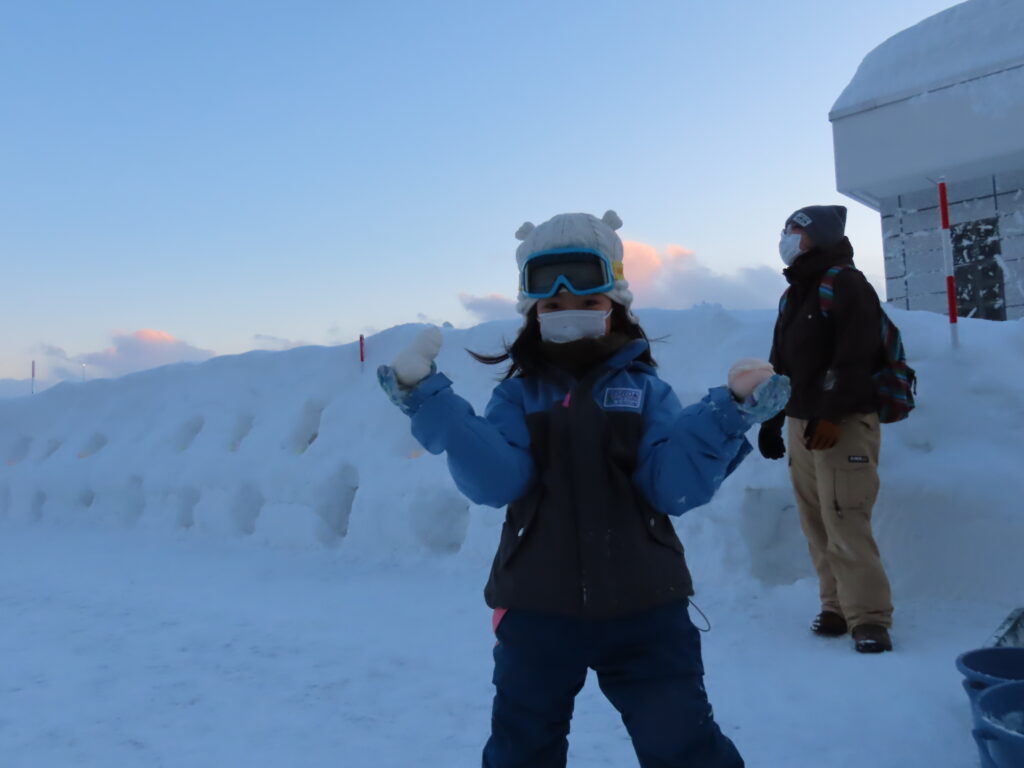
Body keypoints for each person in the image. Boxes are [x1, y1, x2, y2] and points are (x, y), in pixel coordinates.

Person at [378, 210, 790, 767]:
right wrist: (429, 398)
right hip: (536, 611)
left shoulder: (646, 391)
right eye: (552, 305)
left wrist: (728, 412)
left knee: (684, 748)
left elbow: (672, 489)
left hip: (646, 610)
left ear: (615, 306)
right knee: (522, 751)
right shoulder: (518, 397)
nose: (569, 313)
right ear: (533, 314)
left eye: (588, 302)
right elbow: (498, 482)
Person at [760, 204, 894, 654]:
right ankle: (836, 605)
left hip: (843, 421)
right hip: (803, 421)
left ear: (818, 235)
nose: (787, 235)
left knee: (845, 517)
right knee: (815, 519)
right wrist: (774, 417)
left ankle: (870, 617)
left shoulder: (846, 283)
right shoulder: (795, 292)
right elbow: (782, 362)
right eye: (787, 228)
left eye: (795, 228)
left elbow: (855, 356)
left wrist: (833, 415)